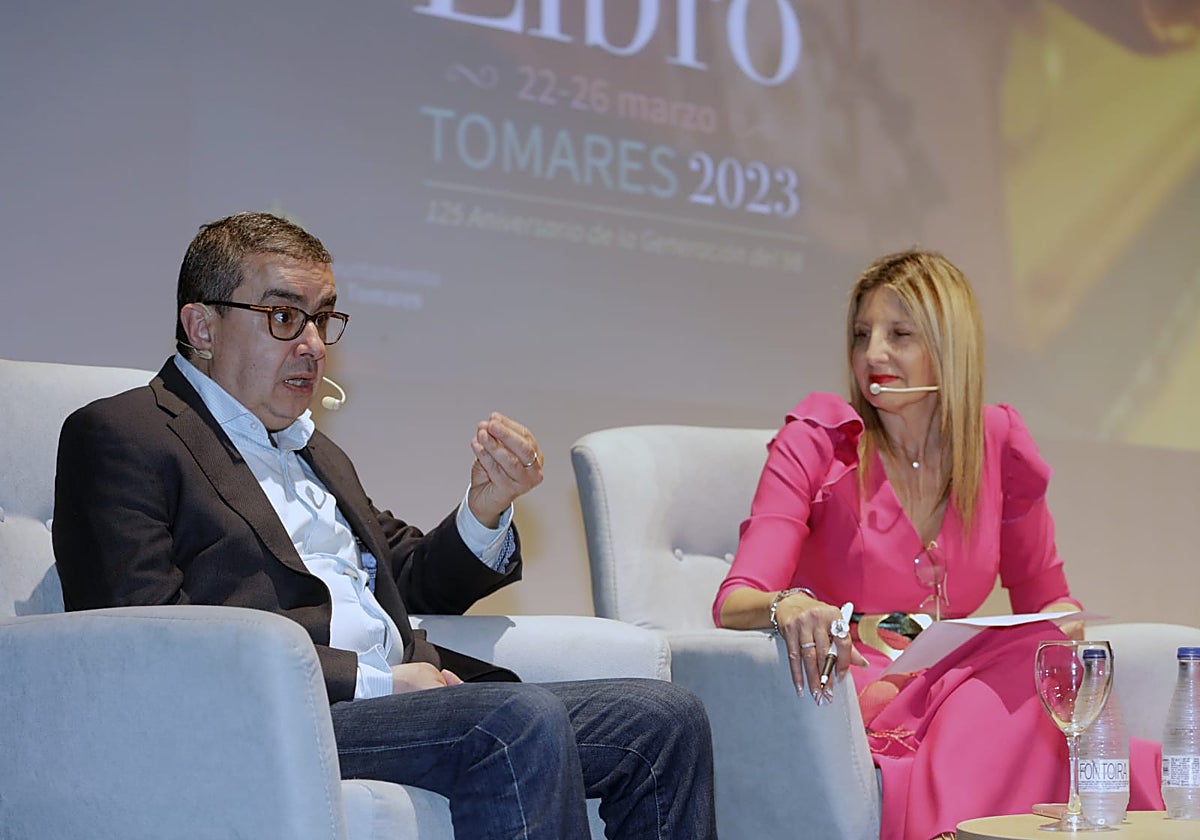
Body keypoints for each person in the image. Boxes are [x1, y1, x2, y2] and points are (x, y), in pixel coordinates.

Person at [52, 211, 717, 840]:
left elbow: (413, 579)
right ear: (201, 326)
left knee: (663, 719)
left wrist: (485, 509)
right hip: (279, 712)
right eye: (285, 317)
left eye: (322, 319)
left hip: (410, 700)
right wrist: (376, 682)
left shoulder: (317, 452)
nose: (313, 346)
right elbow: (146, 637)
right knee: (517, 719)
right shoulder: (123, 434)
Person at [712, 249, 1162, 840]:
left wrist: (1061, 621)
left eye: (899, 334)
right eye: (861, 334)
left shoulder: (999, 444)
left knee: (1031, 649)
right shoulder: (820, 442)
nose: (873, 354)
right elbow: (734, 601)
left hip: (961, 681)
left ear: (949, 349)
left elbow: (1050, 600)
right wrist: (786, 605)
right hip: (866, 689)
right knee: (1020, 699)